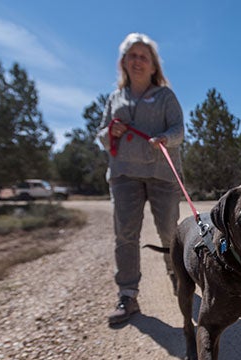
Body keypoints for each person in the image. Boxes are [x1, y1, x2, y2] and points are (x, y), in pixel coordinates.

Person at [97, 32, 184, 326]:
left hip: (161, 175)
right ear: (123, 62)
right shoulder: (114, 99)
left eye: (143, 57)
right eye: (132, 56)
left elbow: (178, 130)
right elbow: (101, 134)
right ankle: (128, 294)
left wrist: (165, 138)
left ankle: (179, 277)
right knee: (125, 235)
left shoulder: (165, 96)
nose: (137, 61)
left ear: (154, 65)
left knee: (170, 233)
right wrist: (111, 132)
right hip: (123, 175)